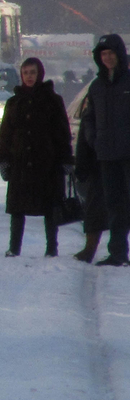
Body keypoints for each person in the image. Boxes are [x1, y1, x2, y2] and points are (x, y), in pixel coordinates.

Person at [0, 57, 71, 258]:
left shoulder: (53, 101)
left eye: (33, 72)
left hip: (47, 163)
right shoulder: (14, 102)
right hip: (20, 162)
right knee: (17, 208)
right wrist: (3, 158)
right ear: (21, 75)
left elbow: (62, 132)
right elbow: (6, 134)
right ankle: (14, 247)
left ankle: (52, 248)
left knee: (50, 207)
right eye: (26, 72)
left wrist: (65, 159)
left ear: (40, 74)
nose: (29, 77)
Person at [82, 33, 130, 266]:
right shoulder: (97, 86)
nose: (107, 58)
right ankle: (118, 253)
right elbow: (88, 118)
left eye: (111, 53)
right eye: (103, 54)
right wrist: (94, 139)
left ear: (119, 54)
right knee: (114, 205)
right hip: (107, 156)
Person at [73, 98, 108, 262]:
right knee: (94, 207)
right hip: (98, 158)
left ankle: (118, 250)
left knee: (120, 208)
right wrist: (81, 162)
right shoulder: (97, 88)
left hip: (122, 156)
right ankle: (90, 247)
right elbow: (86, 125)